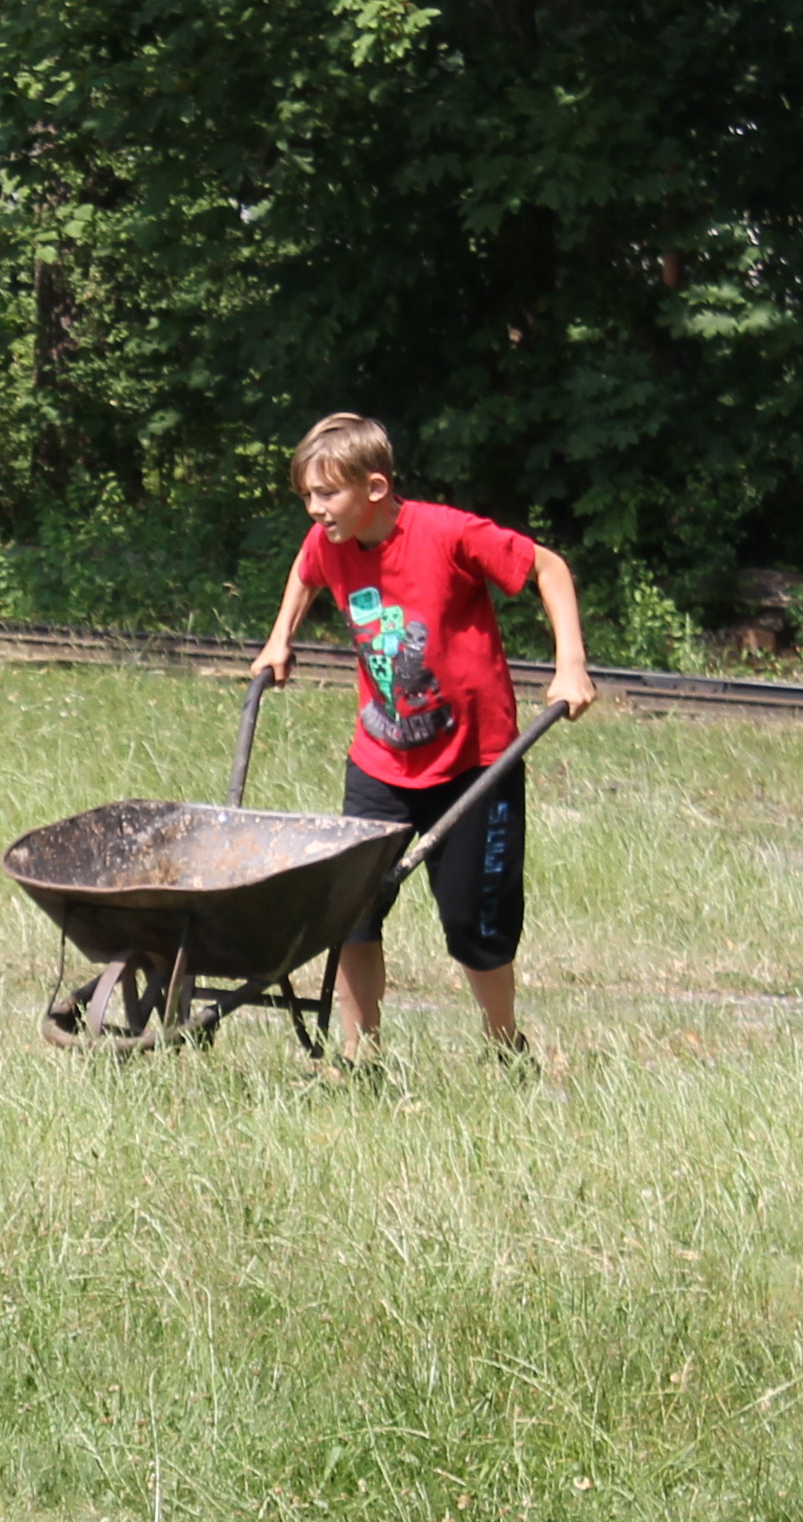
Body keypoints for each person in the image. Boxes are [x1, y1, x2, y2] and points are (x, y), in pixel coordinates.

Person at [246, 412, 595, 1058]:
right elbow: (305, 569)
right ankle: (359, 1054)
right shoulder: (330, 541)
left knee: (473, 921)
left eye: (327, 494)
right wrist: (280, 637)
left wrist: (569, 664)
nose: (315, 510)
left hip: (474, 762)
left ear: (375, 487)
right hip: (380, 760)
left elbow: (549, 568)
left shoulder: (447, 533)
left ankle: (503, 1046)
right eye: (307, 497)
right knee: (350, 910)